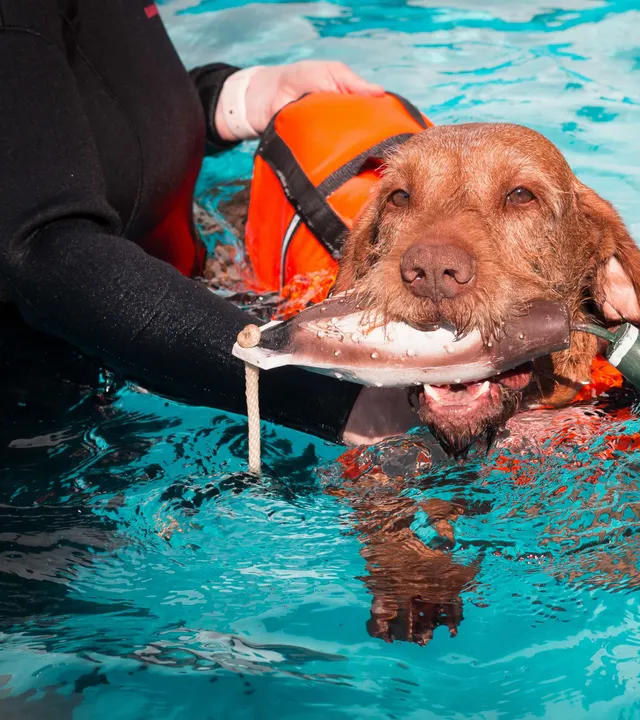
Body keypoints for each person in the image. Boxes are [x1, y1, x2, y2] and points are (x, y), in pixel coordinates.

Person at [0, 1, 418, 446]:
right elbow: (46, 256)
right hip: (59, 436)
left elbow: (88, 104)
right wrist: (333, 399)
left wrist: (245, 96)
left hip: (185, 320)